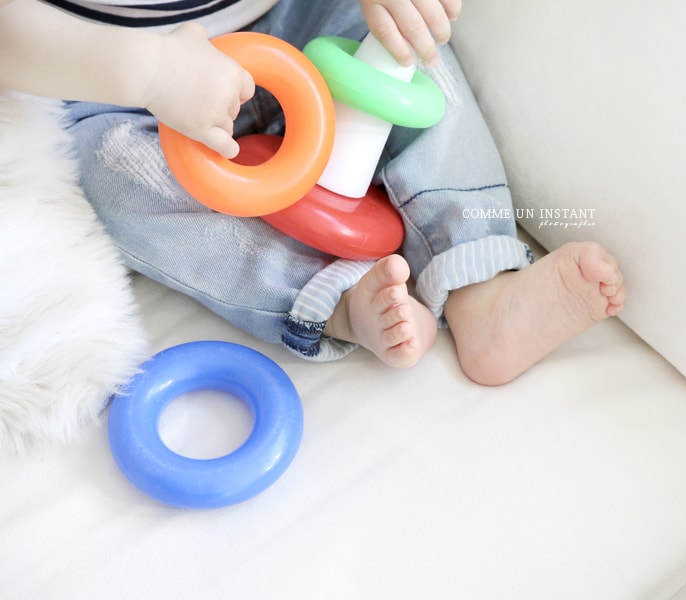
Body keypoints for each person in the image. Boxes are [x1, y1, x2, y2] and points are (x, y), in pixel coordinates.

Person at [0, 0, 626, 386]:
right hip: (115, 83)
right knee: (105, 167)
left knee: (403, 46)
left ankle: (479, 281)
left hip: (294, 18)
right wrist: (149, 71)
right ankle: (333, 298)